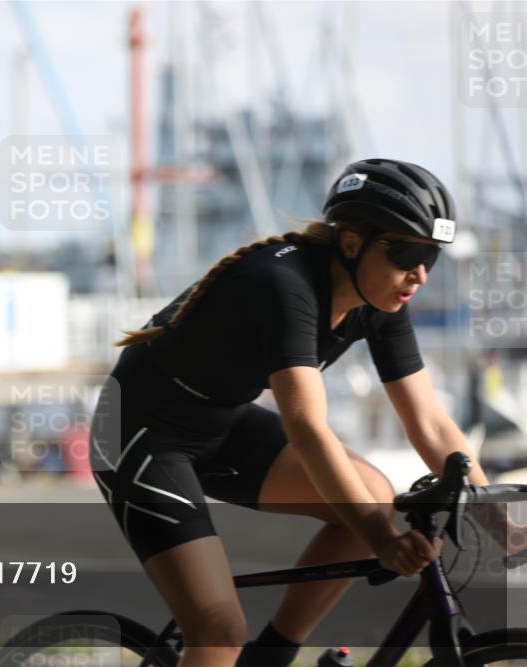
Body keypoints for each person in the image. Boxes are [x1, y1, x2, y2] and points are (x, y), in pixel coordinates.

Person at [88, 159, 527, 667]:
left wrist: (495, 513)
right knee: (218, 630)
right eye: (407, 251)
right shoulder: (285, 283)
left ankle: (272, 655)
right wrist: (382, 540)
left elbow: (428, 421)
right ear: (350, 242)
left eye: (433, 256)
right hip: (139, 435)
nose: (421, 273)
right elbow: (308, 430)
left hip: (221, 423)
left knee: (374, 495)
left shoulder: (380, 299)